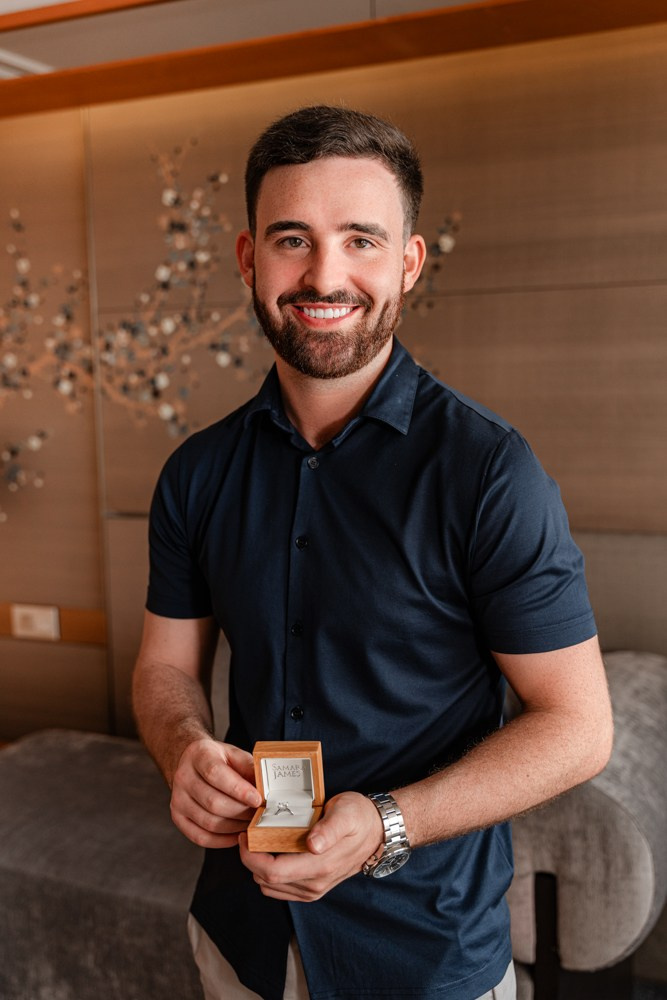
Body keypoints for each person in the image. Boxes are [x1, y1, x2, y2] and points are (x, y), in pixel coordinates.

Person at [133, 105, 613, 1000]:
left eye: (361, 239)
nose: (325, 273)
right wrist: (182, 747)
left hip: (422, 952)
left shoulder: (487, 472)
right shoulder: (196, 473)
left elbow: (578, 729)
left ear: (407, 261)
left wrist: (390, 821)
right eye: (291, 239)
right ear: (247, 258)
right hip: (240, 936)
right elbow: (165, 668)